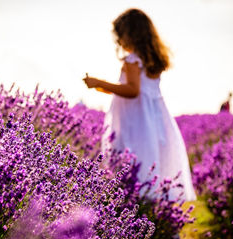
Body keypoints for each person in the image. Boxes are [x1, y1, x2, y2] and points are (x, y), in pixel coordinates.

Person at [83, 8, 196, 202]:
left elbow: (132, 90)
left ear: (131, 34)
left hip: (135, 122)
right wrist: (104, 88)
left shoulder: (132, 60)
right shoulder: (151, 61)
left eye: (121, 36)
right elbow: (133, 88)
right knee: (153, 165)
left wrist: (99, 82)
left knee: (134, 162)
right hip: (154, 120)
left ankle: (135, 212)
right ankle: (157, 218)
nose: (119, 42)